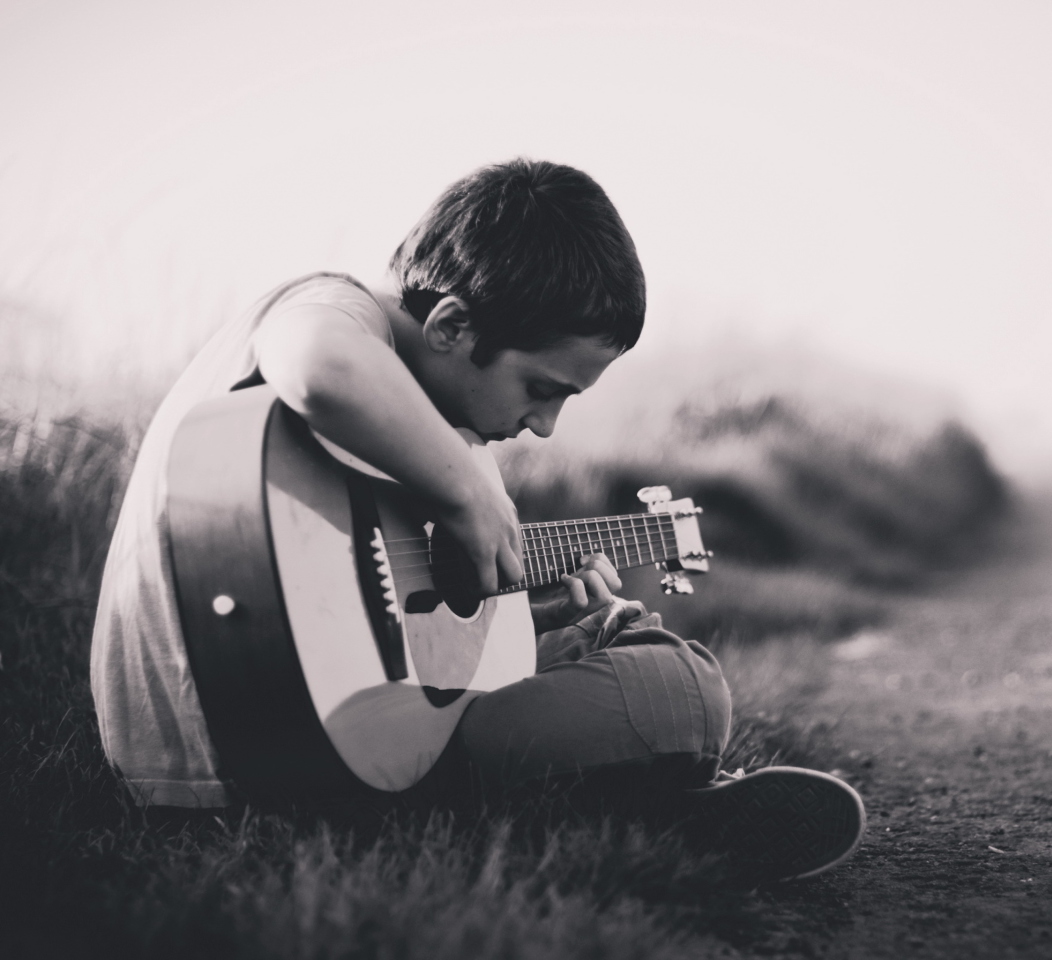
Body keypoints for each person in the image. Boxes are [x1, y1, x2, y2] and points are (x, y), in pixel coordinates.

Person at [90, 159, 865, 882]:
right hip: (253, 751)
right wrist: (469, 490)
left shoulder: (411, 420)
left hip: (288, 738)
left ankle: (618, 802)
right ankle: (636, 799)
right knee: (684, 685)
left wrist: (522, 614)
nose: (545, 426)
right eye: (542, 387)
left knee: (598, 631)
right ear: (452, 325)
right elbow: (318, 365)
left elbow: (370, 614)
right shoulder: (332, 308)